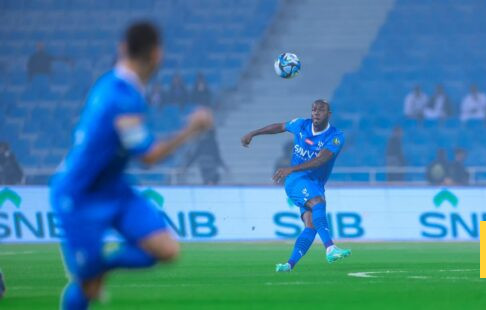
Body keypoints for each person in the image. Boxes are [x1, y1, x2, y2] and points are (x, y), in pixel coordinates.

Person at [49, 22, 213, 309]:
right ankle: (92, 273)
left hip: (113, 188)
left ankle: (100, 266)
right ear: (157, 54)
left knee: (166, 249)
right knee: (86, 289)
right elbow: (148, 157)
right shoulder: (122, 98)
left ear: (123, 48)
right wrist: (191, 130)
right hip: (79, 194)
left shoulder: (114, 85)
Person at [241, 99, 351, 272]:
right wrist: (253, 133)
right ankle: (330, 247)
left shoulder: (336, 136)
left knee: (311, 226)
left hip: (314, 183)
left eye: (320, 110)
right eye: (314, 109)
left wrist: (291, 167)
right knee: (318, 204)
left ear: (328, 114)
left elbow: (321, 159)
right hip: (296, 180)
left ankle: (289, 264)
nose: (316, 112)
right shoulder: (301, 125)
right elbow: (279, 127)